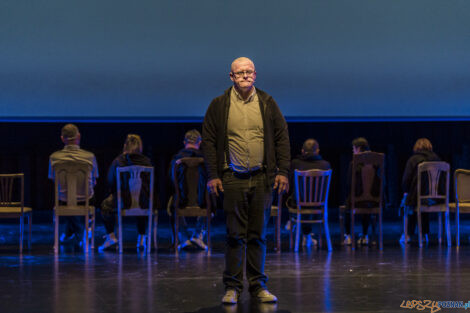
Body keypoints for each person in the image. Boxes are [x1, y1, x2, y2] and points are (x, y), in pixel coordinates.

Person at [202, 57, 290, 304]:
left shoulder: (267, 102)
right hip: (232, 178)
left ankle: (258, 286)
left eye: (248, 72)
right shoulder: (219, 105)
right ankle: (232, 287)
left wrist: (282, 171)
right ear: (231, 76)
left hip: (262, 178)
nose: (244, 76)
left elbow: (282, 137)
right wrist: (213, 175)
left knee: (258, 235)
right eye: (239, 73)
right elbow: (208, 141)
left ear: (255, 75)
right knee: (234, 236)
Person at [98, 134, 152, 251]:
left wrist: (114, 193)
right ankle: (142, 237)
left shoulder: (118, 161)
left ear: (125, 146)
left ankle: (111, 236)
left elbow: (110, 181)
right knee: (141, 199)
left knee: (105, 206)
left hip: (123, 201)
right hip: (144, 202)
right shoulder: (147, 162)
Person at [48, 123, 99, 245]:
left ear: (62, 138)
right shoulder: (90, 156)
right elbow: (95, 180)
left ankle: (72, 231)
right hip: (85, 199)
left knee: (66, 199)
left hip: (63, 200)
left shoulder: (54, 157)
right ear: (79, 136)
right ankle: (81, 231)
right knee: (89, 194)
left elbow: (54, 180)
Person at [287, 138, 331, 248]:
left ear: (302, 151)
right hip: (319, 205)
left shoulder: (295, 163)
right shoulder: (326, 165)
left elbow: (291, 184)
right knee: (308, 200)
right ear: (318, 151)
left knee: (296, 197)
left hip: (298, 204)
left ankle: (296, 223)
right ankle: (307, 234)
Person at [169, 129, 208, 250]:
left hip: (182, 200)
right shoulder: (206, 160)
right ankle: (198, 235)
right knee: (211, 197)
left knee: (172, 202)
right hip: (203, 201)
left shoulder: (177, 160)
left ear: (184, 142)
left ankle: (184, 238)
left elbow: (171, 180)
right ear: (200, 142)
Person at [400, 138, 441, 244]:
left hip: (417, 198)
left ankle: (408, 234)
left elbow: (406, 180)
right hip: (436, 198)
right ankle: (424, 234)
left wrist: (406, 192)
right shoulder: (437, 159)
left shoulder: (413, 160)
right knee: (419, 200)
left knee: (410, 201)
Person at [343, 137, 380, 246]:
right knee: (367, 203)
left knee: (348, 203)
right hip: (374, 200)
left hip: (356, 200)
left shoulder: (354, 163)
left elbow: (349, 184)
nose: (353, 151)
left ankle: (348, 235)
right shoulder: (377, 163)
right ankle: (365, 235)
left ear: (358, 148)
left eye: (353, 149)